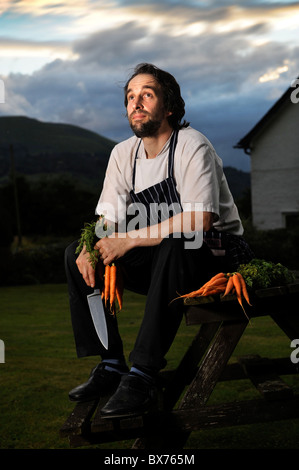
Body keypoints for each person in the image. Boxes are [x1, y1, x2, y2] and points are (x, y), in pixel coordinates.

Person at [65, 63, 253, 419]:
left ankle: (143, 375)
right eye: (130, 97)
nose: (136, 103)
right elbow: (107, 220)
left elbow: (200, 219)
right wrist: (94, 247)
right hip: (163, 260)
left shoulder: (192, 145)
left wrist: (128, 240)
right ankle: (111, 363)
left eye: (147, 95)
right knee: (76, 253)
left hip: (216, 257)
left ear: (168, 107)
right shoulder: (123, 154)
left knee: (179, 241)